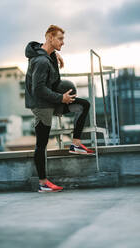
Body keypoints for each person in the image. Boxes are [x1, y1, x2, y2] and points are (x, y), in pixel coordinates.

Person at [25, 25, 94, 193]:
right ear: (50, 38)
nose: (63, 42)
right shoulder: (41, 61)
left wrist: (55, 54)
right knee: (41, 145)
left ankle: (76, 143)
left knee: (83, 105)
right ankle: (43, 183)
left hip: (52, 99)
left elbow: (47, 54)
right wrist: (61, 98)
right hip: (42, 105)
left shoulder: (48, 55)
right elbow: (38, 89)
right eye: (60, 39)